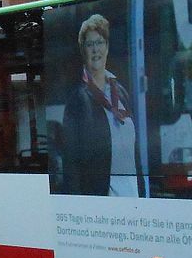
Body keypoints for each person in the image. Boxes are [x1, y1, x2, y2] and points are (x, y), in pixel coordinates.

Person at [56, 13, 140, 196]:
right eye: (90, 44)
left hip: (132, 195)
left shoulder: (120, 92)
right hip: (101, 201)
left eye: (100, 42)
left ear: (107, 47)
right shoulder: (78, 100)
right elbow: (71, 163)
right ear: (83, 51)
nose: (96, 50)